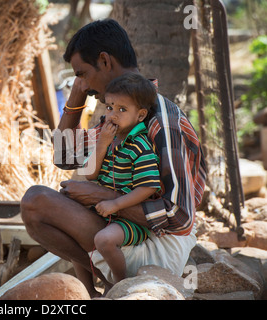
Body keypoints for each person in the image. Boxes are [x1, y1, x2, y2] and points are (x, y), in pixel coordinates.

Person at [21, 19, 207, 297]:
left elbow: (179, 216)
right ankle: (103, 290)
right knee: (39, 206)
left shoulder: (161, 120)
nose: (82, 83)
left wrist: (100, 196)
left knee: (37, 200)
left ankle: (119, 287)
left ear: (105, 61)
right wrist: (76, 97)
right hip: (124, 229)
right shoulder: (118, 118)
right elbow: (64, 155)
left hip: (159, 245)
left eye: (82, 74)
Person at [85, 73, 161, 283]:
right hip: (105, 211)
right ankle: (86, 289)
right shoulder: (110, 140)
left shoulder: (140, 146)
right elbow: (90, 174)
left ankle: (119, 283)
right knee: (75, 236)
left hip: (131, 220)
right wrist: (102, 143)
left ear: (140, 115)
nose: (112, 115)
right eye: (110, 107)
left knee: (104, 239)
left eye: (122, 109)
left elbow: (148, 187)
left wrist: (117, 204)